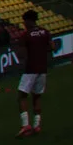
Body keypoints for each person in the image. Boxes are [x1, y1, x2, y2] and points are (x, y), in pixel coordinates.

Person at [15, 9, 52, 138]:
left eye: (24, 21)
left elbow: (21, 53)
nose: (24, 24)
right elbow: (52, 46)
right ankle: (36, 126)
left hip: (31, 68)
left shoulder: (26, 35)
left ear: (29, 21)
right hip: (42, 68)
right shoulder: (45, 32)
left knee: (21, 95)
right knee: (37, 96)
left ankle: (25, 125)